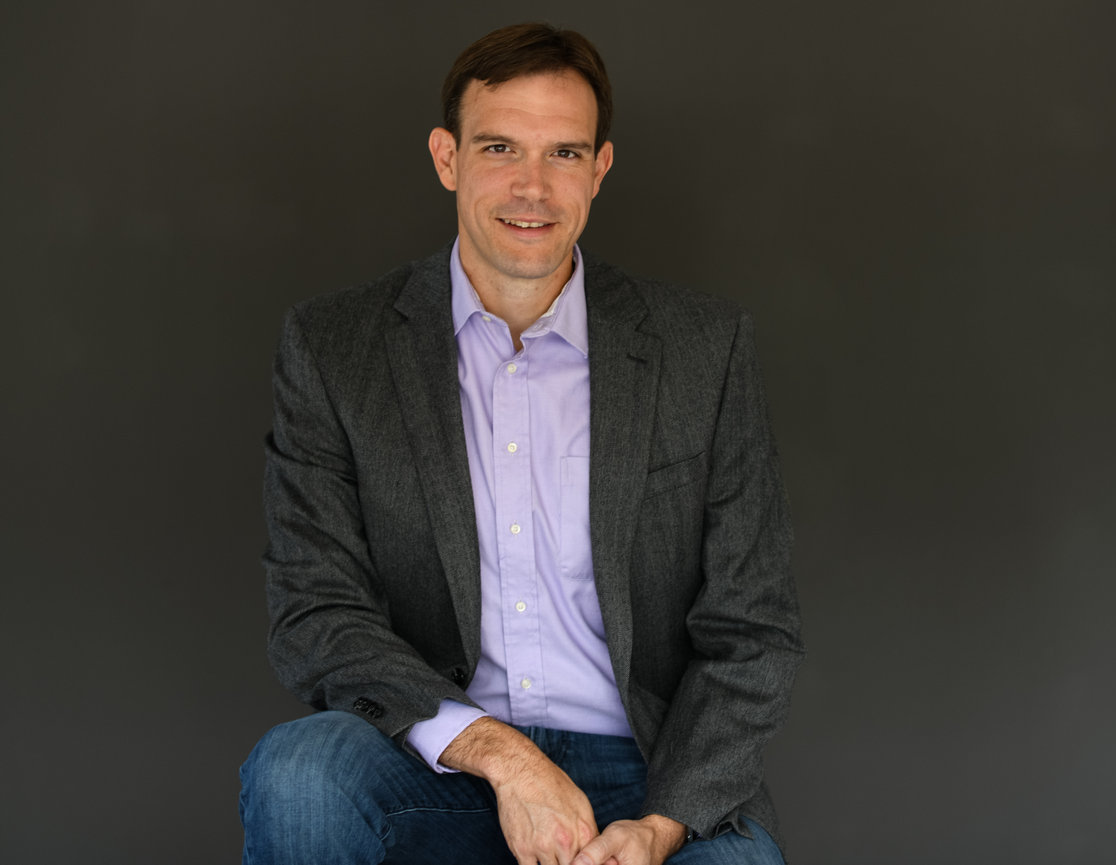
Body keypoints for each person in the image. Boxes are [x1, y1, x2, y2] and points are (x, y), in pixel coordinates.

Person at [239, 21, 803, 865]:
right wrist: (504, 757)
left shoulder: (701, 348)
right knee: (300, 774)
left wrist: (660, 824)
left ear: (599, 169)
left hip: (652, 773)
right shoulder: (336, 349)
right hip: (440, 763)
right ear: (447, 158)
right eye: (500, 147)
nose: (532, 187)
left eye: (564, 153)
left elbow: (752, 629)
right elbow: (318, 612)